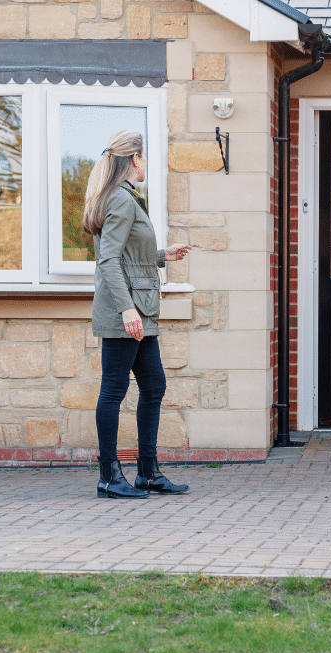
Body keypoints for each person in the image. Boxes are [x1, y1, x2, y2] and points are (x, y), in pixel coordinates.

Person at [83, 130, 191, 499]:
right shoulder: (122, 200)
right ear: (134, 159)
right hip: (125, 310)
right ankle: (109, 478)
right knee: (113, 390)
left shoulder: (122, 198)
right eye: (145, 157)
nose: (146, 164)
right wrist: (127, 308)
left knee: (154, 385)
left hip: (140, 310)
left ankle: (147, 472)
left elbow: (127, 254)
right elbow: (108, 261)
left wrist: (162, 255)